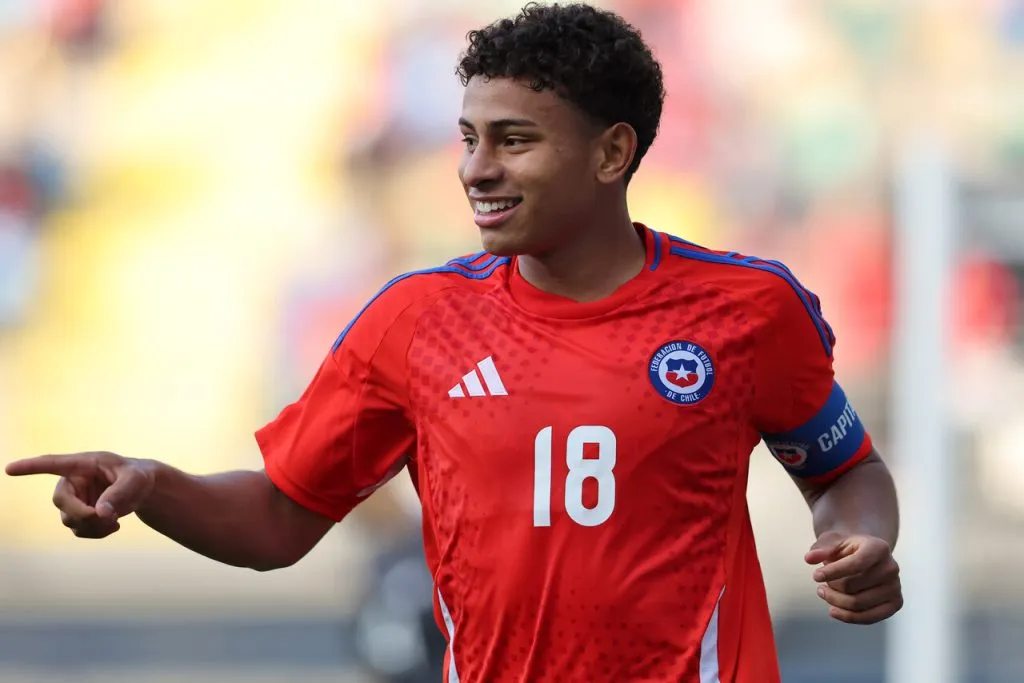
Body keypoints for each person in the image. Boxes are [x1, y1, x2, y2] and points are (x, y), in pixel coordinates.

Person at [6, 3, 902, 682]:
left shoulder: (746, 308)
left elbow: (842, 467)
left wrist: (858, 541)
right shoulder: (414, 321)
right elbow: (280, 519)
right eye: (470, 138)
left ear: (611, 152)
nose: (477, 168)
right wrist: (154, 485)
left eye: (514, 141)